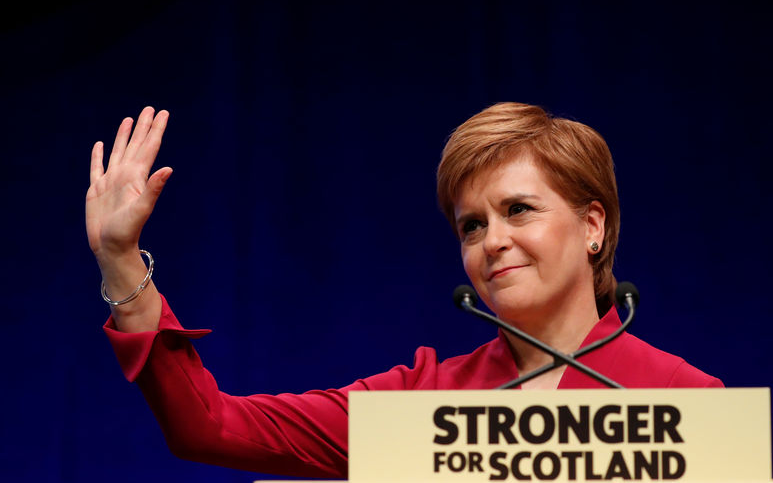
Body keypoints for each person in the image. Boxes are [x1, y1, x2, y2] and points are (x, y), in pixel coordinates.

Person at [87, 103, 722, 477]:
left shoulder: (688, 402)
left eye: (519, 209)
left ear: (592, 225)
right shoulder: (424, 401)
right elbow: (211, 427)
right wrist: (119, 258)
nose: (492, 240)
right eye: (472, 225)